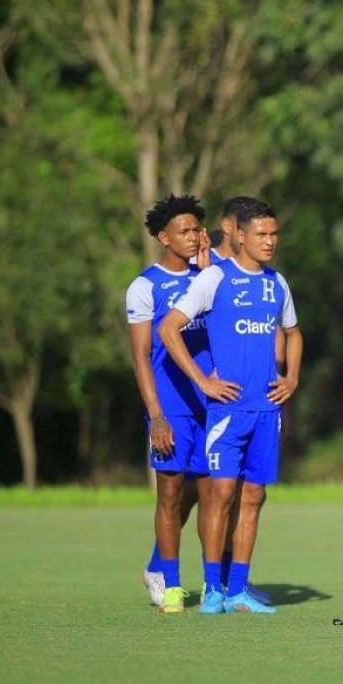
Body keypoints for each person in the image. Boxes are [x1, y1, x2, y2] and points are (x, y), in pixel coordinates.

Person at [158, 199, 303, 615]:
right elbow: (169, 328)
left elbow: (293, 333)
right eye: (261, 234)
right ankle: (213, 589)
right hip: (227, 412)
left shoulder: (277, 283)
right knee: (220, 495)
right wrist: (202, 381)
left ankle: (238, 589)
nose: (270, 242)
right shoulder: (215, 278)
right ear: (239, 235)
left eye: (274, 234)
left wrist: (291, 377)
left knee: (254, 496)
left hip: (267, 412)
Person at [125, 194, 213, 612]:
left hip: (209, 401)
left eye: (197, 229)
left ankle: (156, 563)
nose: (194, 237)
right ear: (164, 237)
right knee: (170, 492)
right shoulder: (146, 286)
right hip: (170, 404)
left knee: (199, 493)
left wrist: (210, 271)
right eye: (184, 231)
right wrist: (156, 415)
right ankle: (171, 584)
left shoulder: (209, 277)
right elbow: (141, 356)